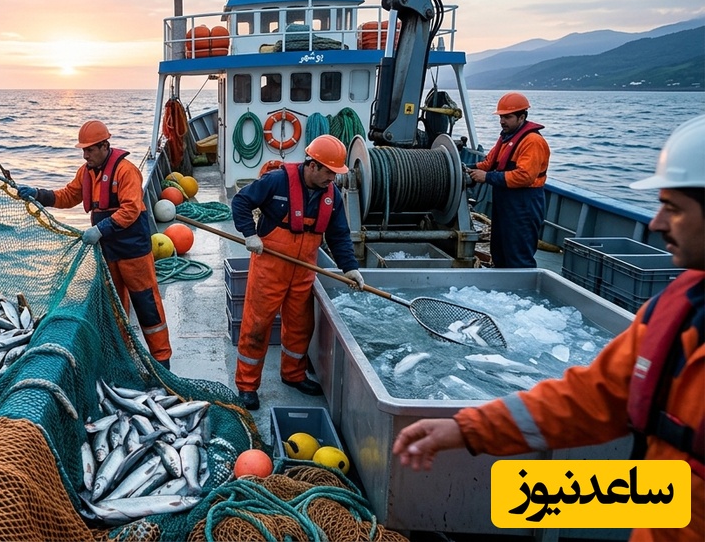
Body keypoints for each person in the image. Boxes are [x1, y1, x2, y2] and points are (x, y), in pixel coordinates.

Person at [392, 114, 705, 541]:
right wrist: (466, 429)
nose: (656, 224)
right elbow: (591, 397)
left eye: (673, 208)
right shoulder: (677, 308)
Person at [16, 120, 173, 370]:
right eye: (83, 150)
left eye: (89, 149)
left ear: (104, 146)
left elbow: (131, 209)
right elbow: (68, 195)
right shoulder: (86, 172)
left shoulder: (126, 171)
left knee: (147, 304)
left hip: (133, 251)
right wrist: (38, 194)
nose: (85, 154)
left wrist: (100, 229)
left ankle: (162, 360)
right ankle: (123, 358)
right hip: (107, 251)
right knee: (115, 308)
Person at [230, 134, 364, 410]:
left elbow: (338, 235)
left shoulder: (332, 195)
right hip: (270, 267)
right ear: (312, 165)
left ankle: (292, 374)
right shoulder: (276, 181)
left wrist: (350, 269)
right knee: (257, 326)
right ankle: (247, 385)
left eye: (336, 173)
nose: (333, 178)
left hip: (304, 271)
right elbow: (241, 202)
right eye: (329, 172)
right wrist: (249, 234)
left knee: (301, 326)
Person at [466, 91, 551, 268]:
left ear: (522, 117)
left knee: (518, 255)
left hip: (524, 205)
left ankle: (521, 292)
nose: (502, 121)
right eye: (501, 117)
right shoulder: (506, 137)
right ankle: (501, 290)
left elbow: (525, 177)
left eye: (508, 117)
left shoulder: (532, 141)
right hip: (505, 203)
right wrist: (469, 168)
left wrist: (487, 177)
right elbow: (490, 162)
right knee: (500, 250)